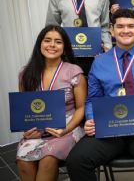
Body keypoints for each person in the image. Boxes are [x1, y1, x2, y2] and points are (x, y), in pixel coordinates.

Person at [66, 9, 134, 181]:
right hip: (109, 129)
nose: (126, 30)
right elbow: (93, 99)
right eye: (120, 26)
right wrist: (91, 119)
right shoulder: (100, 62)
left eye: (131, 26)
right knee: (76, 160)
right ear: (112, 30)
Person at [16, 25, 86, 181]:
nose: (52, 45)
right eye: (47, 40)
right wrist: (27, 130)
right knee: (22, 161)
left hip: (67, 128)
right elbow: (23, 109)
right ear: (40, 43)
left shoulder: (74, 72)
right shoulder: (25, 73)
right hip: (37, 129)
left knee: (48, 159)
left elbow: (81, 108)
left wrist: (66, 130)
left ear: (65, 47)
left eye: (58, 42)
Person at [45, 0, 112, 75]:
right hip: (69, 54)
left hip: (96, 54)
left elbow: (104, 25)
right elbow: (52, 28)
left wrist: (107, 50)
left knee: (95, 91)